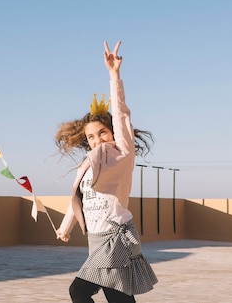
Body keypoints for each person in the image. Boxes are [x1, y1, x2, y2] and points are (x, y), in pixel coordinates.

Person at [55, 41, 158, 303]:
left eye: (102, 132)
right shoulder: (87, 165)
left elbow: (121, 114)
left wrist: (114, 75)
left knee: (78, 291)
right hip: (96, 239)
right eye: (91, 136)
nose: (97, 139)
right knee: (119, 297)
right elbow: (78, 197)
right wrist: (64, 227)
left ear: (112, 132)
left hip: (116, 236)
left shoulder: (122, 154)